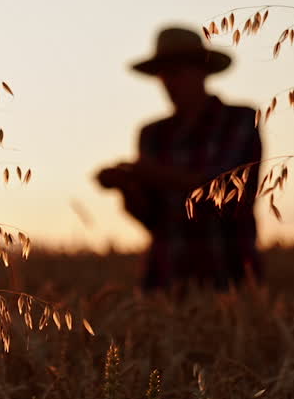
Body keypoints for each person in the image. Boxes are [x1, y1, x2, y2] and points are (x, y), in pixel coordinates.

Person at [96, 26, 263, 291]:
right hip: (164, 279)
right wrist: (127, 187)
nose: (169, 82)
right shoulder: (151, 133)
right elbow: (152, 218)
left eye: (177, 71)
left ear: (202, 71)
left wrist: (149, 174)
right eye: (163, 74)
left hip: (229, 275)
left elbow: (228, 191)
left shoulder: (240, 120)